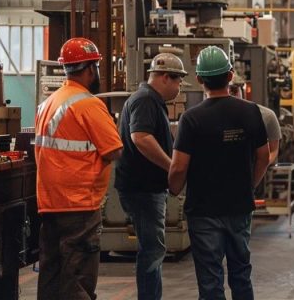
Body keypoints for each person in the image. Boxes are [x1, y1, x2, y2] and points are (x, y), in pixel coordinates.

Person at [168, 46, 270, 300]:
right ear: (231, 75)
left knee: (210, 279)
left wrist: (174, 188)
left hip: (203, 211)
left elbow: (179, 166)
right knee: (241, 273)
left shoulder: (191, 119)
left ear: (200, 79)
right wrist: (250, 186)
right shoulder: (251, 112)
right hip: (239, 206)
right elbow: (264, 157)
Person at [34, 37, 123, 299]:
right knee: (77, 279)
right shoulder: (89, 104)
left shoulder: (47, 104)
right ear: (89, 69)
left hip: (50, 204)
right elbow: (114, 150)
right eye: (95, 67)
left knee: (51, 278)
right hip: (79, 206)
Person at [114, 53, 187, 300]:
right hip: (142, 190)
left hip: (145, 189)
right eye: (178, 82)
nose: (179, 88)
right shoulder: (146, 99)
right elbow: (141, 137)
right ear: (165, 77)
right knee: (152, 251)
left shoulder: (149, 100)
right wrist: (171, 167)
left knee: (152, 249)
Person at [228, 74, 282, 163]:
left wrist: (258, 169)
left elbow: (273, 150)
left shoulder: (266, 115)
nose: (231, 94)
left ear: (243, 90)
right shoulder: (211, 117)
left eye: (234, 90)